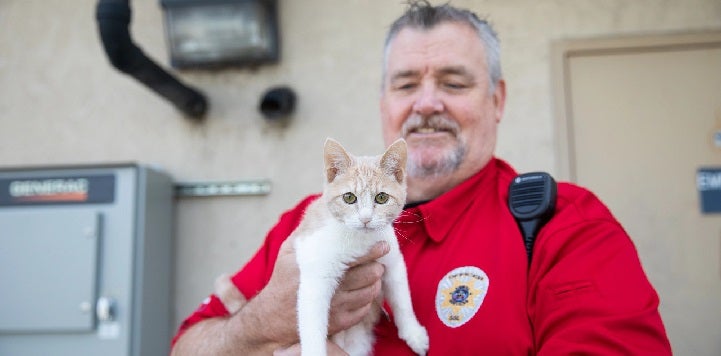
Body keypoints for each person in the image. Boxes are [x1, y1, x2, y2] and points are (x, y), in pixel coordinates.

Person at [171, 1, 672, 354]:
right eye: (406, 83)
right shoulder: (309, 222)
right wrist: (260, 325)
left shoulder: (566, 225)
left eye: (454, 82)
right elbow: (187, 346)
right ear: (383, 103)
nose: (426, 103)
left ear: (496, 101)